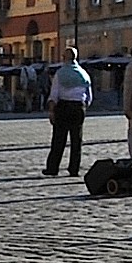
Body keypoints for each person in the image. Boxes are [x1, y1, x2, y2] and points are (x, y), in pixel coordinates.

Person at [44, 47, 94, 177]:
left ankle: (53, 168)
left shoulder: (60, 73)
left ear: (64, 58)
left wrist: (51, 111)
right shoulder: (83, 74)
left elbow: (54, 94)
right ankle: (74, 169)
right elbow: (89, 96)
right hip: (79, 107)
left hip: (64, 106)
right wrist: (84, 106)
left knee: (58, 139)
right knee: (76, 140)